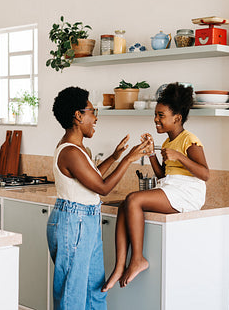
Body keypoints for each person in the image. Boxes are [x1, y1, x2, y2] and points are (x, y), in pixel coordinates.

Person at [47, 86, 151, 310]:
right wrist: (128, 160)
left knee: (95, 290)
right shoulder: (70, 152)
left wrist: (115, 157)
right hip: (74, 223)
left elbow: (92, 177)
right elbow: (102, 188)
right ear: (78, 115)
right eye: (92, 112)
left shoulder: (80, 149)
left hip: (86, 222)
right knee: (72, 295)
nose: (95, 118)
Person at [102, 83, 210, 292]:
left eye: (161, 115)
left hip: (188, 193)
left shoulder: (190, 140)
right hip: (172, 187)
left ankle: (138, 258)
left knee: (134, 199)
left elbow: (205, 174)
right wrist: (152, 154)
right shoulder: (168, 142)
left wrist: (180, 156)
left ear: (177, 117)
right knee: (125, 204)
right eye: (155, 115)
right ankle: (119, 265)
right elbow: (163, 175)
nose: (156, 119)